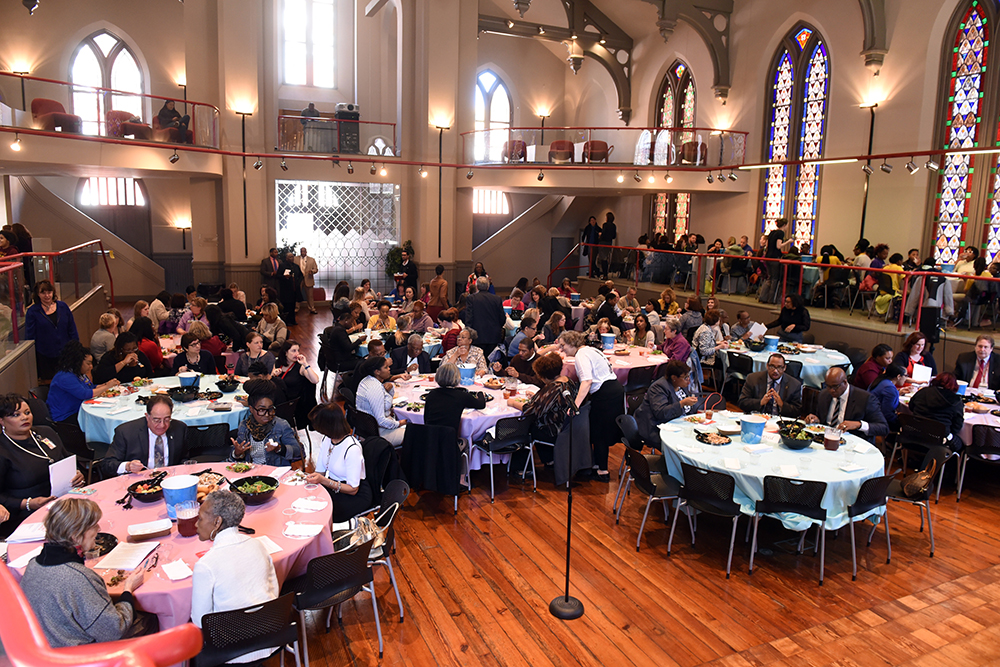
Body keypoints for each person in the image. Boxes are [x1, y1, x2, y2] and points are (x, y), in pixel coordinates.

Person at [20, 497, 154, 647]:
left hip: (42, 646)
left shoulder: (32, 564)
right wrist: (128, 590)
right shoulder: (78, 578)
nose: (98, 529)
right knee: (151, 620)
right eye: (93, 526)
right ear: (76, 536)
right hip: (77, 654)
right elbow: (114, 629)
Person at [189, 490, 280, 663]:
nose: (196, 524)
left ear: (217, 522)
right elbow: (273, 590)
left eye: (200, 518)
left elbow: (201, 621)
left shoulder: (205, 565)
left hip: (231, 648)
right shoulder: (258, 545)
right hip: (270, 635)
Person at [0, 394, 85, 534]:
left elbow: (66, 457)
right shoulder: (3, 450)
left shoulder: (46, 432)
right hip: (27, 512)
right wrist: (28, 503)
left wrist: (76, 473)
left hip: (64, 500)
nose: (24, 418)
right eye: (16, 415)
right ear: (2, 421)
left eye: (27, 412)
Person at [558, 330, 623, 482]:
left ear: (572, 343)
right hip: (613, 389)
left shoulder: (581, 355)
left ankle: (602, 471)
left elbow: (587, 382)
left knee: (600, 432)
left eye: (563, 345)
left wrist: (575, 406)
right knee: (598, 430)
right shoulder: (591, 350)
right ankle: (597, 465)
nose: (561, 349)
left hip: (605, 393)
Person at [506, 352, 579, 470]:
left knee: (522, 427)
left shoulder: (553, 388)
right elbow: (549, 402)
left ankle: (521, 468)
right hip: (565, 424)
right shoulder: (568, 381)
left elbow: (532, 410)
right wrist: (537, 396)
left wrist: (513, 403)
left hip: (551, 429)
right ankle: (548, 459)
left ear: (544, 377)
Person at [306, 404, 372, 522]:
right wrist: (313, 479)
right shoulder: (327, 440)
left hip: (353, 495)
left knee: (323, 513)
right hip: (334, 487)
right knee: (308, 501)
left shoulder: (352, 448)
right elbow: (320, 471)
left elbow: (353, 489)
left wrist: (323, 481)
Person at [103, 396, 188, 476]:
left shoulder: (179, 429)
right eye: (156, 420)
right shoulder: (126, 432)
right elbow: (107, 464)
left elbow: (184, 459)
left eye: (167, 419)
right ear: (147, 417)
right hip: (138, 480)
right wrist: (128, 466)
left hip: (170, 479)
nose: (162, 425)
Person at [804, 367, 889, 442]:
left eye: (835, 387)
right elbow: (821, 419)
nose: (832, 390)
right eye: (828, 386)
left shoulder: (865, 399)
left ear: (845, 382)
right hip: (825, 439)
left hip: (852, 442)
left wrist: (859, 425)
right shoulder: (824, 394)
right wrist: (816, 419)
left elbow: (883, 428)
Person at [231, 379, 301, 465]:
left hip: (274, 470)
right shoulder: (244, 426)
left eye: (270, 409)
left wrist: (279, 448)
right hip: (251, 469)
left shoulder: (281, 425)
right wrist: (237, 453)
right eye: (261, 410)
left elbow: (297, 451)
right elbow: (237, 458)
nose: (267, 414)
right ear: (251, 409)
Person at [47, 342, 120, 424]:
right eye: (88, 363)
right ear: (78, 362)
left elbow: (91, 387)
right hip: (65, 416)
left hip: (77, 410)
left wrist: (106, 384)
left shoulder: (78, 374)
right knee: (100, 420)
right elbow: (85, 394)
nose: (91, 367)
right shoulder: (65, 377)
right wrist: (107, 387)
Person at [634, 360, 701, 446]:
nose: (688, 380)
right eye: (685, 377)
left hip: (679, 424)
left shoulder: (681, 386)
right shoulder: (659, 387)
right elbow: (661, 413)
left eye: (688, 376)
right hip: (657, 427)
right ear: (674, 377)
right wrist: (681, 403)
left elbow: (687, 410)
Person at [25, 280, 79, 381]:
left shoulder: (63, 307)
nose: (47, 296)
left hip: (65, 353)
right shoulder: (32, 312)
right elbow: (30, 335)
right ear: (37, 294)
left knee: (68, 380)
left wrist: (76, 348)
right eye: (43, 293)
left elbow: (72, 329)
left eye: (49, 292)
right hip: (45, 356)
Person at [425, 363, 487, 447]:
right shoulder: (461, 396)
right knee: (466, 440)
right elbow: (481, 404)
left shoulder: (431, 394)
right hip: (450, 444)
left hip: (429, 442)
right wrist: (480, 393)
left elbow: (426, 419)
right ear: (457, 377)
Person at [355, 355, 408, 446]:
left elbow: (386, 403)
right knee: (415, 433)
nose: (389, 369)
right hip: (379, 432)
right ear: (377, 372)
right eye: (386, 367)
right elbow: (381, 421)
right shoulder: (374, 388)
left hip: (367, 428)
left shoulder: (366, 381)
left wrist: (390, 389)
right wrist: (399, 423)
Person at [907, 373, 965, 449]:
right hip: (939, 441)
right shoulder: (956, 401)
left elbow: (911, 407)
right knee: (962, 444)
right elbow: (957, 426)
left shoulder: (923, 392)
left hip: (914, 436)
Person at [738, 353, 803, 418]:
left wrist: (782, 404)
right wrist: (760, 402)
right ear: (767, 366)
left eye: (780, 367)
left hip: (780, 420)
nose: (775, 371)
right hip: (756, 418)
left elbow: (797, 411)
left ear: (784, 368)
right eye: (772, 366)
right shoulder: (753, 378)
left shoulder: (794, 384)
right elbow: (742, 402)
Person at [464, 276, 506, 353]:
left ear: (477, 287)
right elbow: (502, 318)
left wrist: (469, 334)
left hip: (477, 336)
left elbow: (469, 318)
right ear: (488, 287)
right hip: (493, 336)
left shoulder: (471, 299)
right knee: (492, 359)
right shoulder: (497, 299)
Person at [318, 310, 364, 375]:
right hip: (341, 363)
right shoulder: (340, 331)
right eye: (351, 322)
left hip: (334, 360)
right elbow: (349, 348)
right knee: (365, 362)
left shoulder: (336, 328)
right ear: (346, 320)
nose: (351, 325)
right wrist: (359, 340)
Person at [868, 364, 907, 431]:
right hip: (877, 420)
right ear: (898, 376)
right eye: (906, 375)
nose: (906, 379)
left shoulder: (881, 381)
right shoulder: (890, 388)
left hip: (870, 414)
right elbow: (887, 413)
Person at [598, 211, 617, 279]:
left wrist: (600, 236)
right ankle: (605, 274)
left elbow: (603, 234)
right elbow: (614, 236)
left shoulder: (605, 225)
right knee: (606, 258)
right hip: (609, 243)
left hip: (603, 243)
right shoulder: (614, 226)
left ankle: (605, 274)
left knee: (603, 259)